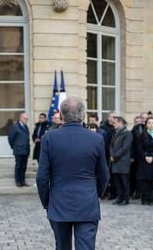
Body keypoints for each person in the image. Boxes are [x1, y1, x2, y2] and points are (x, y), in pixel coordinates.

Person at [36, 96, 109, 250]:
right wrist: (96, 194)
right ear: (83, 115)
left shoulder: (49, 137)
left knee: (62, 246)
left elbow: (42, 177)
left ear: (61, 116)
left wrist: (47, 201)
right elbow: (104, 174)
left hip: (59, 201)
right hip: (87, 201)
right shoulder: (96, 139)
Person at [136, 117, 153, 205]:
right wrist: (146, 156)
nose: (151, 124)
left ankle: (152, 199)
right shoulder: (141, 136)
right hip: (144, 161)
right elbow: (139, 148)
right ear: (146, 125)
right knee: (145, 182)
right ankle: (145, 198)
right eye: (149, 123)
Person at [110, 116, 133, 206]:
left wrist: (115, 156)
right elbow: (111, 145)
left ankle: (125, 198)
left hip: (123, 161)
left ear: (120, 123)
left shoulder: (127, 133)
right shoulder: (116, 133)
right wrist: (112, 155)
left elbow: (125, 148)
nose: (114, 124)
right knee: (117, 181)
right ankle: (119, 197)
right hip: (115, 161)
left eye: (115, 122)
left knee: (124, 181)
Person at [8, 112, 30, 187]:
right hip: (18, 150)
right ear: (21, 118)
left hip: (26, 150)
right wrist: (14, 147)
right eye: (25, 118)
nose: (26, 120)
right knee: (18, 166)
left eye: (27, 119)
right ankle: (18, 181)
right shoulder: (15, 127)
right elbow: (10, 138)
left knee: (24, 167)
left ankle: (23, 181)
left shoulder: (26, 127)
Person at [130, 112, 148, 199]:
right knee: (136, 175)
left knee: (146, 175)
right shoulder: (136, 128)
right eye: (143, 118)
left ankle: (145, 192)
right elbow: (132, 143)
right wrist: (132, 156)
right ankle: (137, 192)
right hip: (137, 156)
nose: (144, 120)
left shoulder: (151, 128)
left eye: (145, 118)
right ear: (140, 119)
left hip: (148, 156)